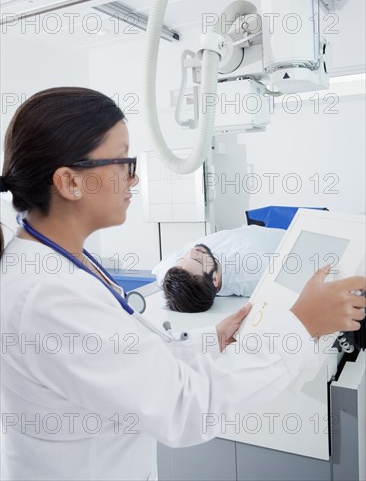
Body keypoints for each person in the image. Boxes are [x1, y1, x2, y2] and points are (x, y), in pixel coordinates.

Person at [0, 88, 365, 481]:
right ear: (71, 182)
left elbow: (133, 362)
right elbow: (183, 408)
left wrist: (212, 341)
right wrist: (301, 326)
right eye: (125, 162)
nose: (134, 179)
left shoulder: (60, 263)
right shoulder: (50, 295)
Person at [154, 226, 286, 312]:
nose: (192, 251)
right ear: (214, 278)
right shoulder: (256, 273)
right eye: (197, 260)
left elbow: (161, 272)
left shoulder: (172, 268)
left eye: (183, 258)